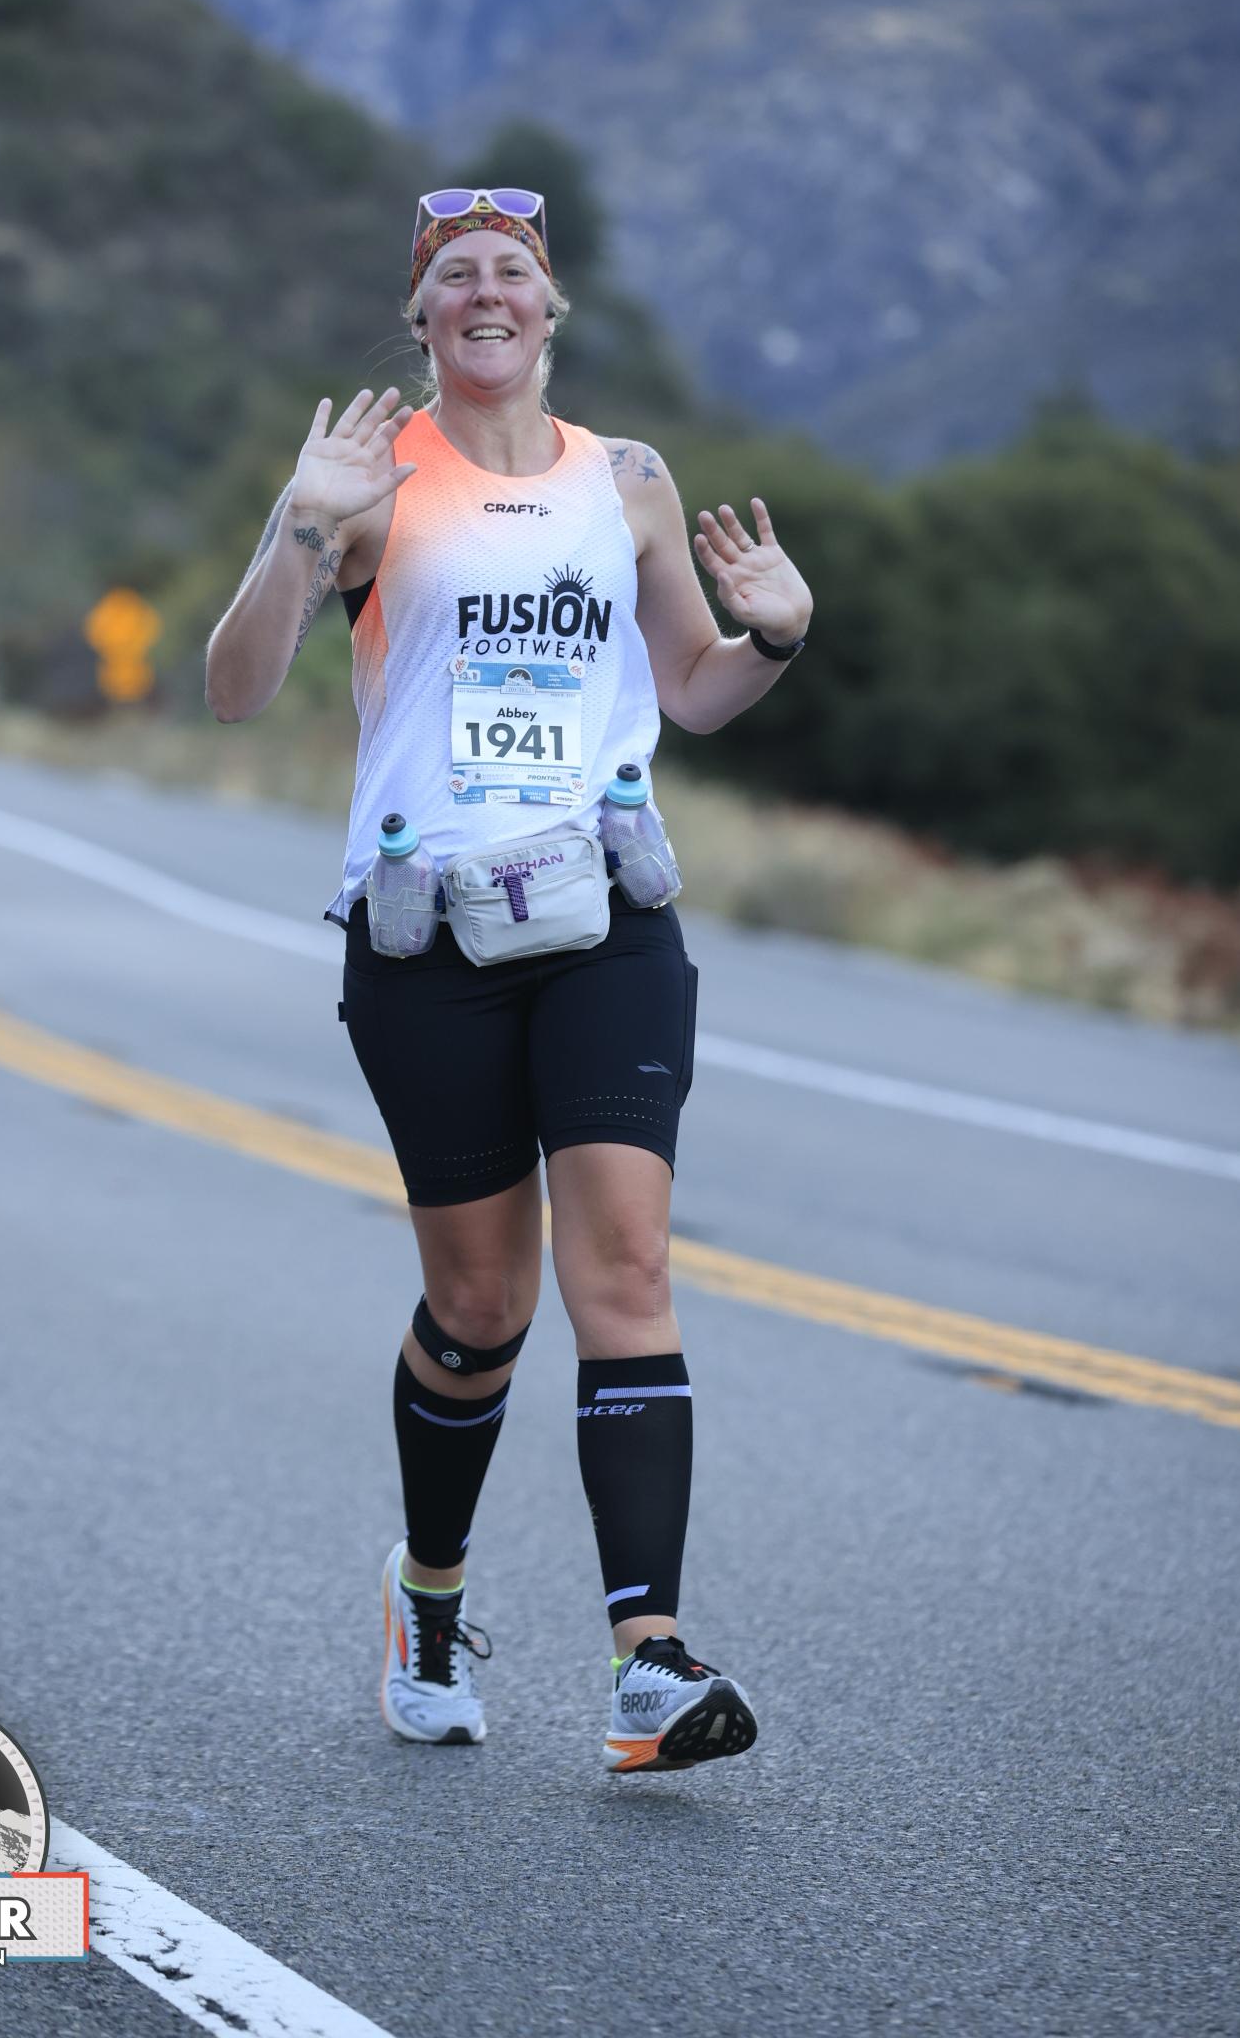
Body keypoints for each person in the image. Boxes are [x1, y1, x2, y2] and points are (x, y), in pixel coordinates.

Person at [205, 187, 813, 1773]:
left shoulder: (631, 481)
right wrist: (300, 529)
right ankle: (428, 1593)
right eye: (456, 274)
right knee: (483, 1308)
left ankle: (649, 1663)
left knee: (629, 1268)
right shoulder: (365, 476)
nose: (487, 291)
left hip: (607, 912)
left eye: (514, 272)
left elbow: (692, 689)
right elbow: (234, 688)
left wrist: (772, 639)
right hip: (430, 935)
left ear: (551, 310)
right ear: (421, 320)